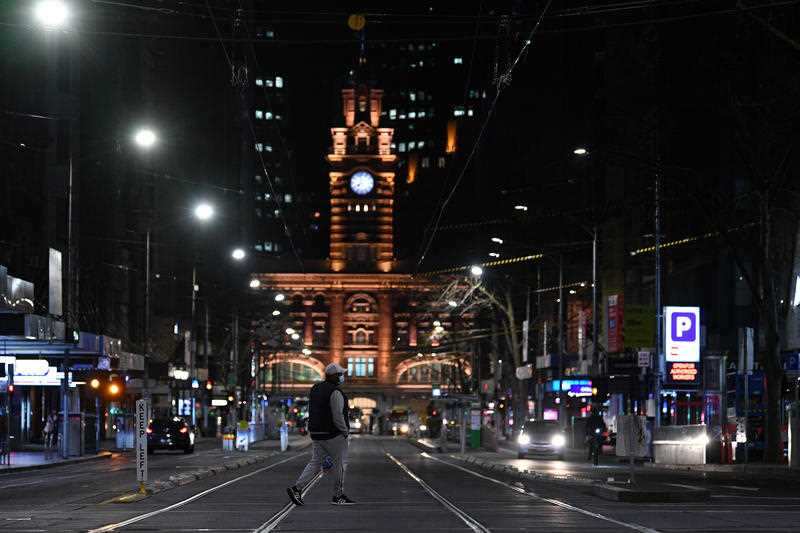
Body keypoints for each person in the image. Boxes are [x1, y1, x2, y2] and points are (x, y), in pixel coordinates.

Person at [287, 363, 354, 506]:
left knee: (315, 462)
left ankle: (297, 488)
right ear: (334, 376)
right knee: (340, 464)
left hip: (317, 433)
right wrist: (345, 431)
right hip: (333, 434)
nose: (342, 377)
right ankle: (338, 496)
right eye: (340, 374)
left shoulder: (316, 388)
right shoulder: (335, 392)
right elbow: (337, 415)